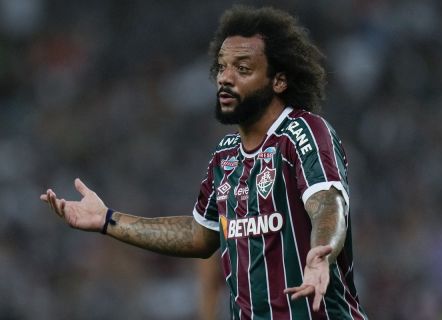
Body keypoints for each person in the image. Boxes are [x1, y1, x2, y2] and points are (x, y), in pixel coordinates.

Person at [40, 6, 368, 319]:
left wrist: (321, 252)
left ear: (278, 81)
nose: (226, 78)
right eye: (222, 67)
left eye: (242, 68)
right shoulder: (225, 155)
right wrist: (107, 220)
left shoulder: (303, 131)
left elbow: (328, 203)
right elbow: (200, 235)